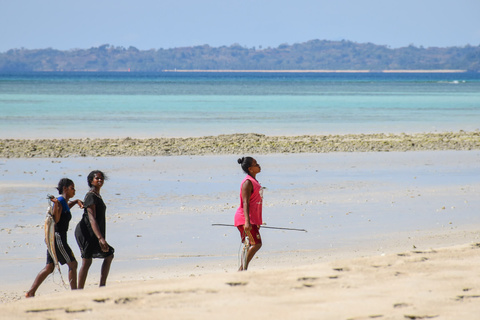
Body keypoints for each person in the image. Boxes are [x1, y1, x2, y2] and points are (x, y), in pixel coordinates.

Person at [26, 178, 83, 297]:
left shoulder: (64, 202)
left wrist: (76, 201)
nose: (74, 191)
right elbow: (56, 219)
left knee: (49, 267)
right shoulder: (60, 201)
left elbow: (66, 209)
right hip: (58, 238)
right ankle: (75, 294)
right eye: (72, 188)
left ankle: (30, 292)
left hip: (53, 238)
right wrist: (56, 204)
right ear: (65, 188)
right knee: (73, 264)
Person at [75, 170, 114, 289]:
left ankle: (102, 286)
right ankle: (79, 290)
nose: (100, 180)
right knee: (86, 261)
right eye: (97, 178)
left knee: (109, 255)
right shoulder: (91, 195)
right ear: (91, 181)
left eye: (101, 178)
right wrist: (101, 238)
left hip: (94, 231)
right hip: (86, 232)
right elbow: (91, 219)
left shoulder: (97, 195)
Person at [234, 156, 263, 271]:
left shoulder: (254, 182)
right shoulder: (247, 182)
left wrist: (257, 222)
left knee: (250, 245)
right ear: (250, 169)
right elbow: (245, 203)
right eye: (256, 164)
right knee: (256, 244)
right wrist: (247, 222)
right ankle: (242, 269)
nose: (259, 165)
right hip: (245, 219)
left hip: (252, 219)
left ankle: (243, 269)